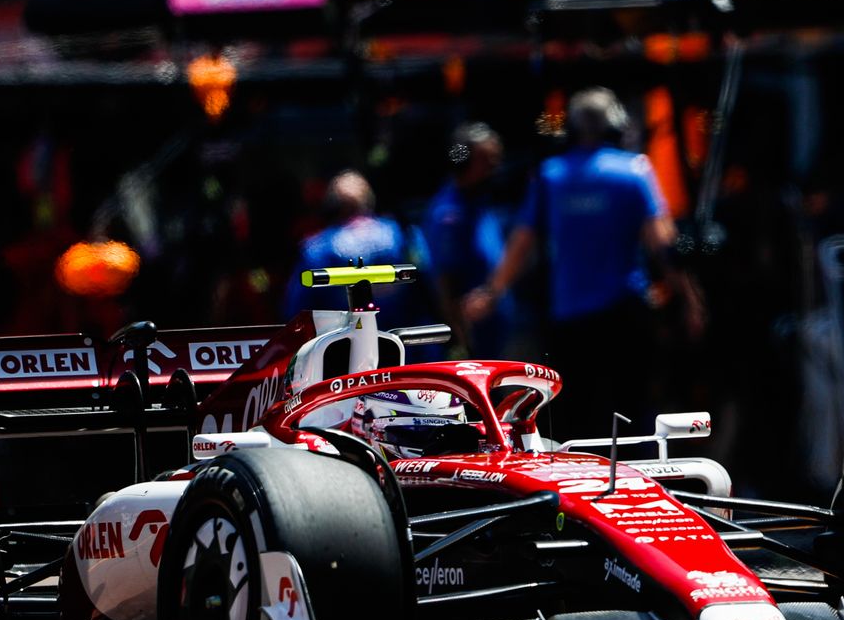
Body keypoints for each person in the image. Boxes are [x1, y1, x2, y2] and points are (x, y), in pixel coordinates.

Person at [463, 87, 704, 433]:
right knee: (630, 411)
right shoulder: (634, 171)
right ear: (615, 126)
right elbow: (663, 244)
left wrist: (490, 293)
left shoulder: (551, 176)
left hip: (570, 321)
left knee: (576, 419)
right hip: (624, 314)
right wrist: (690, 299)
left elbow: (521, 244)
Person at [282, 171, 430, 318]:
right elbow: (431, 279)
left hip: (348, 332)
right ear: (369, 200)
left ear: (333, 206)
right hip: (409, 330)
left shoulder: (318, 248)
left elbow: (295, 309)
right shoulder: (404, 234)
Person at [424, 123, 513, 356]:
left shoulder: (479, 200)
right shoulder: (449, 214)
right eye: (486, 160)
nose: (495, 166)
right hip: (477, 333)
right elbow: (444, 280)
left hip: (501, 323)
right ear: (461, 161)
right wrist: (461, 338)